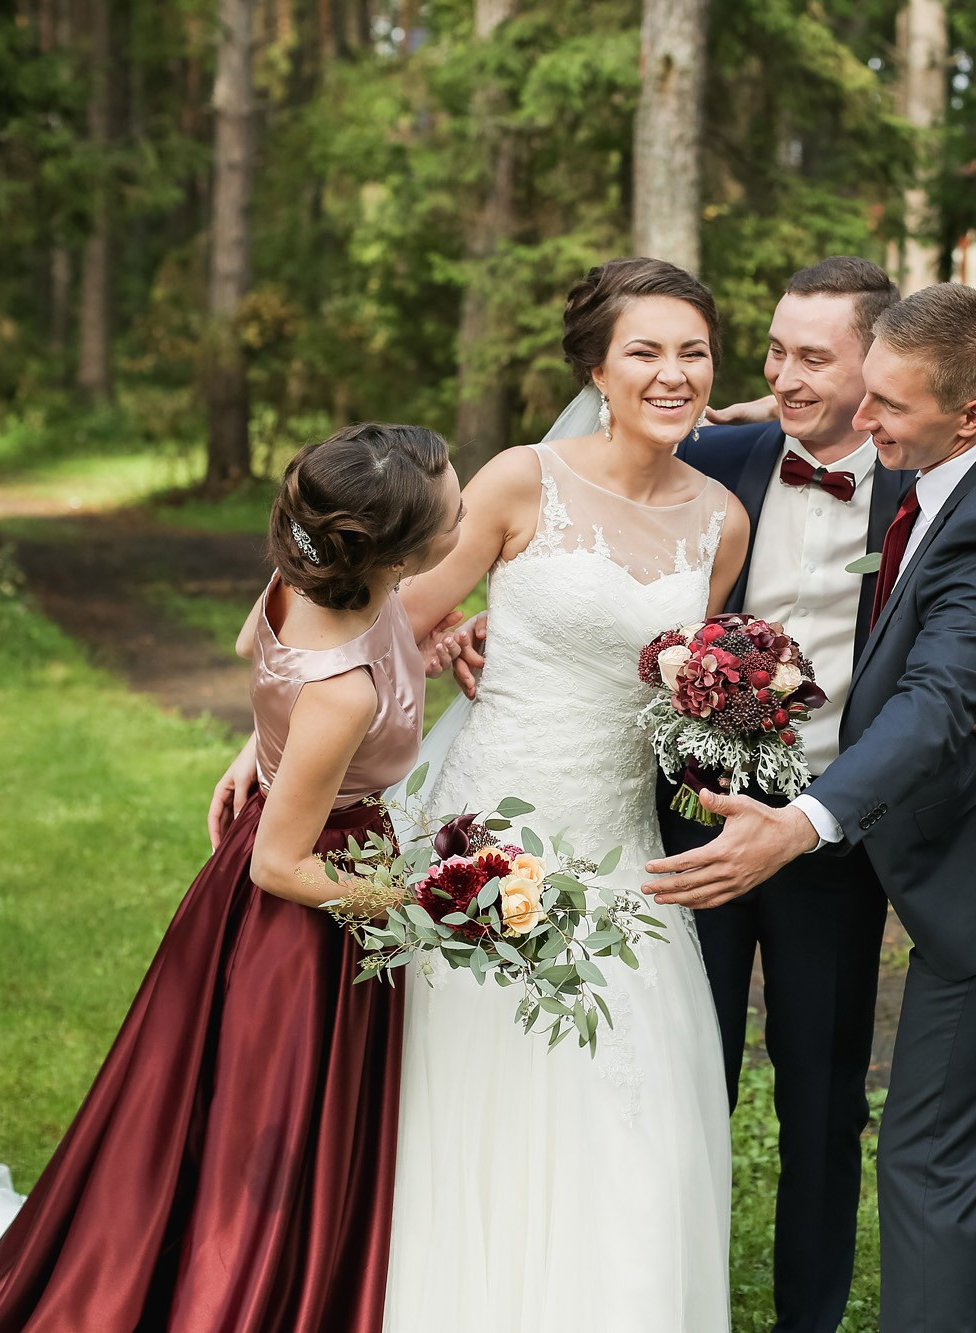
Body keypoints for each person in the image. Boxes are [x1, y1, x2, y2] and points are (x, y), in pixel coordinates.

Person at [0, 423, 466, 1333]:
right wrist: (421, 899)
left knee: (227, 1115)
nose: (463, 505)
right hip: (307, 914)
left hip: (280, 859)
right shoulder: (344, 688)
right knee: (268, 1136)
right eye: (453, 502)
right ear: (396, 548)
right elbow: (281, 861)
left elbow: (261, 656)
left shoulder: (303, 583)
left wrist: (278, 747)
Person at [645, 284, 976, 1333]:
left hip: (967, 847)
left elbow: (951, 688)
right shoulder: (969, 438)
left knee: (920, 1151)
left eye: (834, 373)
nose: (809, 392)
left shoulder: (971, 485)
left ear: (957, 409)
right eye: (774, 359)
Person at [380, 257, 749, 1333]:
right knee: (491, 1101)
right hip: (491, 835)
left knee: (628, 1109)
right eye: (644, 350)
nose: (671, 373)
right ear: (596, 365)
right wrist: (448, 634)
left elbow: (675, 694)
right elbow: (386, 626)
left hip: (624, 853)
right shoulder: (517, 480)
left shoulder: (719, 520)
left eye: (692, 351)